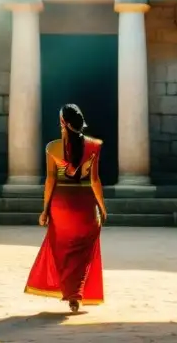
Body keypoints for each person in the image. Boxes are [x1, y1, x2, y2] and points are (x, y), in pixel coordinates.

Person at [24, 103, 107, 312]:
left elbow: (50, 181)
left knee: (62, 250)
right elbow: (95, 180)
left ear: (63, 123)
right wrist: (102, 207)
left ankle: (71, 292)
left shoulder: (52, 148)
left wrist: (45, 209)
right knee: (83, 253)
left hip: (61, 206)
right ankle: (76, 294)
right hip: (86, 206)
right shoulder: (94, 146)